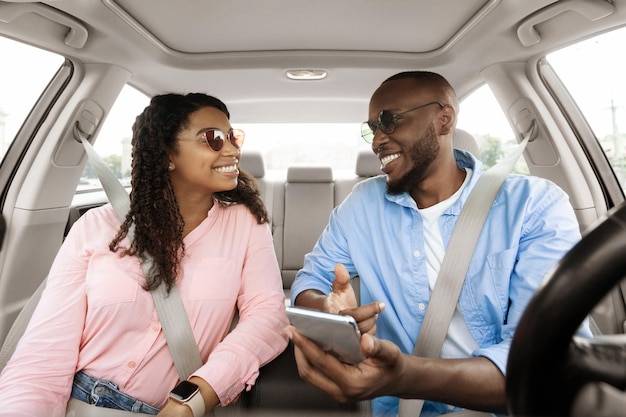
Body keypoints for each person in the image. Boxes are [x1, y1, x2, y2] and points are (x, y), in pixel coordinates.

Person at [286, 71, 592, 416]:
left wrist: (404, 375)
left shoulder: (533, 206)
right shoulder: (361, 206)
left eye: (389, 120)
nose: (377, 141)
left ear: (443, 119)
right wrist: (327, 310)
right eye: (372, 128)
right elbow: (309, 282)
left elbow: (542, 361)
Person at [0, 93, 289, 416]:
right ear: (167, 154)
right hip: (76, 402)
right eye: (214, 138)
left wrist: (194, 397)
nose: (233, 149)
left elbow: (268, 319)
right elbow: (43, 358)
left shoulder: (246, 224)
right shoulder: (96, 227)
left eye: (233, 137)